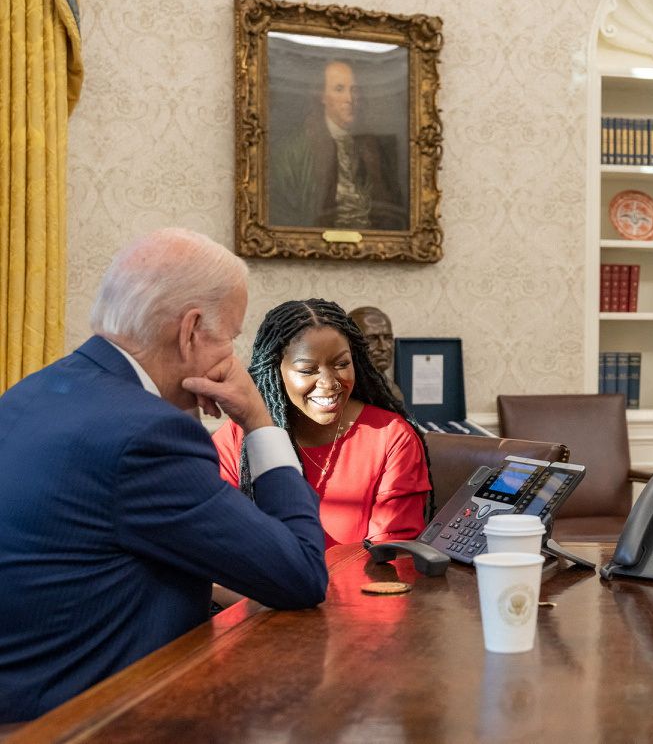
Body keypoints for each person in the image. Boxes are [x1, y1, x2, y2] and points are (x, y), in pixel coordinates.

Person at [0, 229, 328, 723]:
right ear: (191, 330)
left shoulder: (34, 393)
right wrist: (260, 421)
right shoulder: (145, 435)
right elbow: (300, 575)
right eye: (231, 336)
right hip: (88, 719)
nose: (233, 358)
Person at [212, 299, 430, 547]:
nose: (329, 382)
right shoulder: (237, 442)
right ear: (275, 370)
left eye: (342, 364)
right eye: (307, 370)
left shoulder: (390, 437)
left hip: (360, 586)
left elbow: (389, 554)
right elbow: (221, 545)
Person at [270, 59, 406, 230]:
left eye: (354, 90)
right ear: (322, 96)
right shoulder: (293, 150)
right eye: (339, 89)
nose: (349, 99)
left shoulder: (373, 149)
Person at [348, 304, 404, 402]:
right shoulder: (346, 391)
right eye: (372, 339)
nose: (383, 347)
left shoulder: (393, 390)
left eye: (387, 338)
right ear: (351, 343)